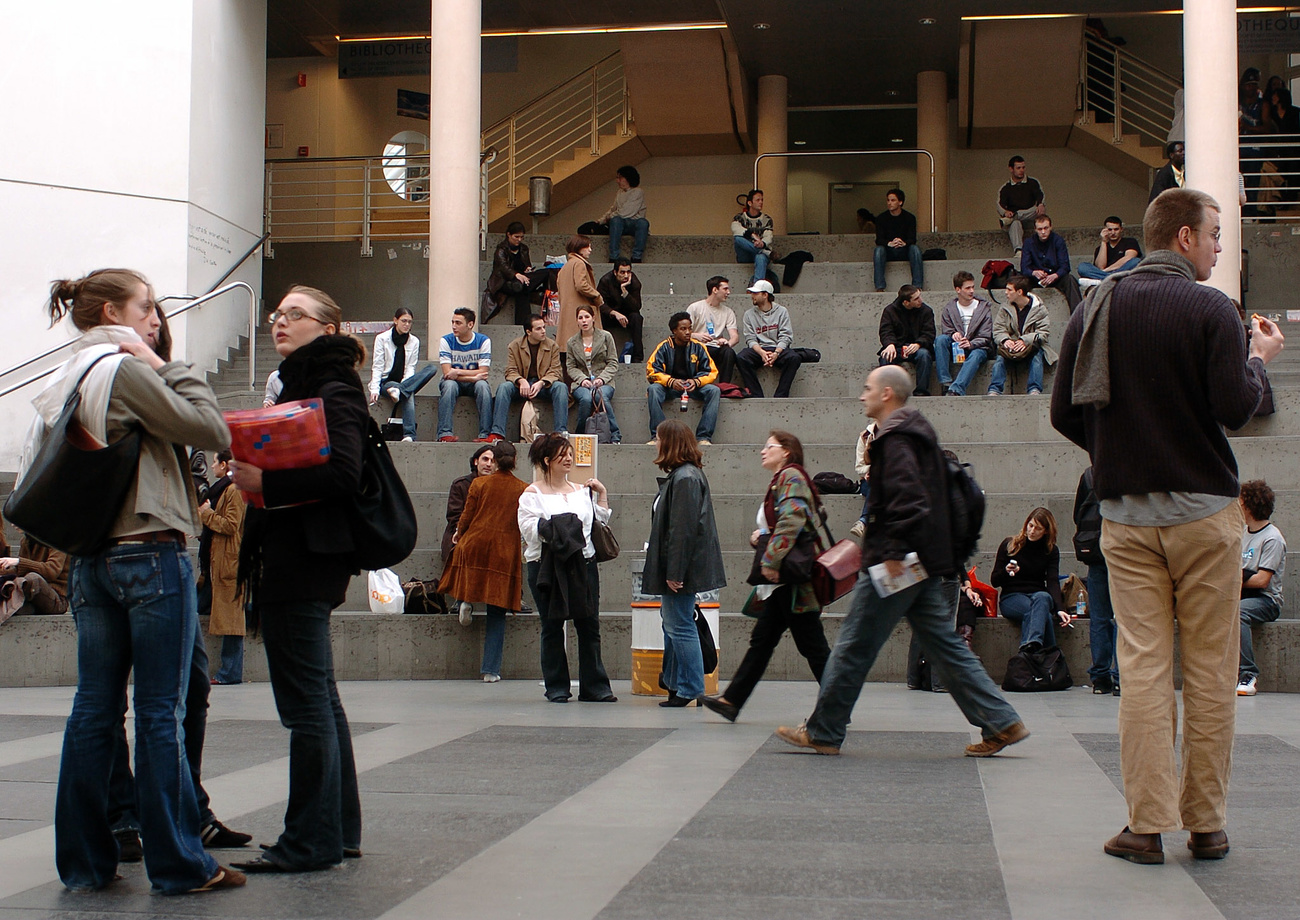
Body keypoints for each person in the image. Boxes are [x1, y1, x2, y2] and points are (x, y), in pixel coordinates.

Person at [1050, 187, 1284, 865]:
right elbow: (1236, 407)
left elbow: (1065, 412)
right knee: (1210, 670)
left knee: (1144, 669)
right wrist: (1259, 359)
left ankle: (1145, 828)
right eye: (1214, 235)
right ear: (1183, 238)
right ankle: (1206, 826)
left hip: (1126, 517)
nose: (1218, 247)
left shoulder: (1096, 304)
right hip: (1206, 515)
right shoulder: (1212, 309)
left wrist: (1115, 452)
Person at [35, 268, 243, 893]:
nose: (155, 318)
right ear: (108, 314)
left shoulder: (66, 374)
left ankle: (84, 864)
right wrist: (156, 360)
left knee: (93, 710)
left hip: (93, 561)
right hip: (150, 553)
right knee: (159, 712)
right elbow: (212, 428)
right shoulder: (122, 370)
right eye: (145, 307)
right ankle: (179, 865)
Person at [776, 365, 1028, 757]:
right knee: (946, 646)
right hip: (921, 560)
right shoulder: (916, 433)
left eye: (867, 389)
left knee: (854, 644)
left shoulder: (896, 438)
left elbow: (908, 501)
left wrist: (891, 555)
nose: (862, 395)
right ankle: (1001, 722)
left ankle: (825, 730)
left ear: (887, 394)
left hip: (895, 563)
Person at [229, 284, 366, 874]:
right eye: (276, 314)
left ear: (328, 328)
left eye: (294, 315)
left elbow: (345, 474)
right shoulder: (300, 384)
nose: (280, 322)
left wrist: (266, 485)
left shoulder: (331, 386)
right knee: (320, 700)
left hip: (303, 557)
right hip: (299, 553)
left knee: (306, 705)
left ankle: (310, 839)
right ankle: (338, 831)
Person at [701, 431, 832, 722]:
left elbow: (793, 518)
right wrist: (762, 537)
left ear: (786, 451)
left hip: (790, 580)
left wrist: (771, 559)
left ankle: (837, 703)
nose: (763, 451)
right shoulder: (783, 478)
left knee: (812, 647)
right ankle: (732, 701)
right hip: (785, 582)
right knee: (764, 641)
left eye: (769, 446)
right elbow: (784, 522)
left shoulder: (791, 476)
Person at [518, 433, 618, 703]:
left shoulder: (581, 491)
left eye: (571, 454)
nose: (569, 459)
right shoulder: (531, 494)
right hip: (545, 567)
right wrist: (559, 528)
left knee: (589, 625)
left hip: (583, 564)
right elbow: (528, 528)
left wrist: (603, 494)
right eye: (563, 455)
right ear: (547, 460)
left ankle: (595, 687)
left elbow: (597, 521)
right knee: (552, 626)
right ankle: (557, 687)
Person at [643, 420, 726, 707]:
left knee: (679, 626)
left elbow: (683, 530)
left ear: (671, 443)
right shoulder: (685, 476)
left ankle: (689, 687)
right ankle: (679, 685)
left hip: (682, 569)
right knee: (675, 625)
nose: (655, 443)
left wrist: (674, 572)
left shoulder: (686, 478)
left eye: (658, 438)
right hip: (681, 566)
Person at [437, 440, 527, 682]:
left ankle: (465, 599)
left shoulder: (479, 483)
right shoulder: (523, 488)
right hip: (504, 550)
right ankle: (490, 670)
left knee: (470, 579)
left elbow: (465, 517)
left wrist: (459, 533)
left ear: (494, 461)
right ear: (515, 462)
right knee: (497, 612)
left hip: (476, 542)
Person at [991, 508, 1072, 651]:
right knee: (1043, 615)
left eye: (1038, 528)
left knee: (1043, 597)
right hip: (1012, 597)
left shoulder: (1051, 550)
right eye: (1030, 525)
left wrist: (1060, 609)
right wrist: (1007, 571)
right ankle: (1045, 655)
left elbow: (1052, 581)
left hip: (1038, 596)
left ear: (1046, 531)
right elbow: (995, 581)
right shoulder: (1010, 545)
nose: (1032, 531)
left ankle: (1029, 650)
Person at [198, 450, 246, 685]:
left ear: (225, 464)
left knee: (232, 622)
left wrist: (207, 515)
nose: (212, 466)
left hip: (229, 564)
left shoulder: (234, 490)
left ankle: (230, 672)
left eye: (215, 461)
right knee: (199, 608)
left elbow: (231, 525)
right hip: (216, 564)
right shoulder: (223, 489)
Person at [1237, 479, 1286, 697]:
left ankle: (1248, 673)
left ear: (1248, 505)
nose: (1236, 505)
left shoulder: (1272, 538)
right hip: (1241, 593)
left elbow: (1262, 580)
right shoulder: (1242, 533)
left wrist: (1234, 580)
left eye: (1240, 501)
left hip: (1267, 600)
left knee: (1239, 613)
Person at [1074, 467, 1119, 696]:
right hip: (1123, 552)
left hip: (1096, 552)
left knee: (1099, 618)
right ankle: (1121, 677)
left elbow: (1078, 515)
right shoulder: (1129, 469)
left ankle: (1100, 678)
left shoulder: (1090, 474)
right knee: (1123, 618)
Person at [645, 312, 720, 445]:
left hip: (692, 387)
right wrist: (670, 381)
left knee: (714, 391)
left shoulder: (698, 347)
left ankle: (704, 437)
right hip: (669, 387)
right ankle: (659, 436)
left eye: (690, 328)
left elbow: (711, 371)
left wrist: (696, 381)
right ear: (674, 331)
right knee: (653, 389)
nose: (688, 332)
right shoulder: (663, 347)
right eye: (683, 329)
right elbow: (652, 371)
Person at [491, 314, 569, 440]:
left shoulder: (552, 346)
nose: (543, 331)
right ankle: (497, 432)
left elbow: (556, 371)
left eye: (544, 327)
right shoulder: (514, 345)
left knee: (561, 387)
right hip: (521, 386)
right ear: (528, 332)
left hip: (544, 386)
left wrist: (542, 382)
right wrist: (521, 381)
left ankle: (561, 432)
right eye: (538, 329)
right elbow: (510, 371)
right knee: (503, 388)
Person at [441, 444, 497, 596]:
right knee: (466, 548)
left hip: (492, 535)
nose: (488, 464)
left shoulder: (500, 486)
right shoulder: (461, 485)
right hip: (461, 533)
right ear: (476, 462)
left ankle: (512, 596)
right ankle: (461, 599)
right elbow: (454, 516)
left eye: (493, 461)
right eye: (485, 459)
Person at [988, 274, 1055, 396]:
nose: (1005, 293)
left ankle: (1034, 389)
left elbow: (1043, 333)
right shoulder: (1005, 308)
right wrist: (1005, 340)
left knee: (1037, 357)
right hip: (1010, 347)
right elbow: (998, 330)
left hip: (1032, 345)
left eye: (1009, 290)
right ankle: (995, 389)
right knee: (1000, 359)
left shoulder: (1039, 308)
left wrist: (1025, 340)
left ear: (1019, 292)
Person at [435, 307, 493, 444]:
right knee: (449, 385)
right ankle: (444, 434)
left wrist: (459, 372)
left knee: (483, 387)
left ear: (470, 325)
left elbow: (483, 371)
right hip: (455, 383)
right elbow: (447, 373)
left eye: (458, 323)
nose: (454, 326)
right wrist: (472, 377)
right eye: (453, 322)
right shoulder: (446, 341)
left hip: (473, 383)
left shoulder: (483, 341)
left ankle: (485, 434)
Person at [565, 305, 622, 443]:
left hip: (604, 382)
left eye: (587, 317)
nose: (584, 321)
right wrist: (582, 379)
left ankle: (615, 435)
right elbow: (571, 367)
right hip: (581, 383)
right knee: (586, 399)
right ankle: (580, 433)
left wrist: (602, 379)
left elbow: (613, 362)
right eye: (580, 318)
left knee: (599, 396)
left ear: (593, 318)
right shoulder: (571, 342)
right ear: (577, 321)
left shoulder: (605, 337)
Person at [736, 280, 801, 399]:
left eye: (755, 293)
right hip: (758, 350)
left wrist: (776, 353)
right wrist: (761, 352)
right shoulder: (748, 314)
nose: (752, 296)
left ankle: (781, 396)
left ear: (765, 295)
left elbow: (786, 336)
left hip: (777, 349)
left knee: (794, 358)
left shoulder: (781, 311)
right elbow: (750, 339)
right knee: (741, 358)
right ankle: (756, 395)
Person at [935, 271, 994, 397]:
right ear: (958, 289)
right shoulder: (949, 308)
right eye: (967, 288)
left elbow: (986, 335)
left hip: (978, 347)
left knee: (977, 354)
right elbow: (947, 329)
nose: (971, 291)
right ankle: (945, 382)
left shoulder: (983, 308)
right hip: (957, 347)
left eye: (972, 287)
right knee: (940, 340)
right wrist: (953, 334)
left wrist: (971, 344)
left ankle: (956, 389)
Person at [368, 307, 421, 442]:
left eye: (410, 322)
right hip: (387, 382)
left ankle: (400, 390)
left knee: (431, 370)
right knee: (408, 394)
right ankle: (409, 434)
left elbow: (410, 368)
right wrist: (374, 389)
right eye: (404, 321)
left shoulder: (414, 341)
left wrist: (403, 385)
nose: (407, 325)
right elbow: (378, 365)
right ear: (395, 320)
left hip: (404, 382)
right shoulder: (382, 338)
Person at [876, 284, 936, 396]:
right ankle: (887, 393)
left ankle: (921, 391)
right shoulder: (890, 311)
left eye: (920, 296)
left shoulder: (926, 311)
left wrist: (918, 344)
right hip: (897, 347)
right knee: (886, 356)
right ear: (906, 302)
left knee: (924, 355)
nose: (921, 300)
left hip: (918, 347)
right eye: (916, 299)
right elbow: (885, 331)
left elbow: (929, 333)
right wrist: (889, 344)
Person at [484, 221, 548, 325]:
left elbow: (526, 264)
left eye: (521, 237)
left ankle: (524, 322)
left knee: (545, 272)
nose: (519, 240)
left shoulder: (523, 248)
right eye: (516, 237)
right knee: (520, 288)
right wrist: (516, 275)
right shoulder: (501, 249)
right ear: (508, 235)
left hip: (521, 279)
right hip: (504, 281)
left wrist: (527, 269)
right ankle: (525, 322)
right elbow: (503, 267)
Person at [0, 533, 68, 625]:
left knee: (32, 578)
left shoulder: (58, 538)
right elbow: (19, 571)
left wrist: (18, 561)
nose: (13, 524)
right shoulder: (26, 541)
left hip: (56, 600)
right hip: (32, 596)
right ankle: (20, 607)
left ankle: (18, 606)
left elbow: (52, 570)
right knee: (12, 582)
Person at [1020, 214, 1082, 311]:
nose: (1043, 232)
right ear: (1035, 229)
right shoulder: (1029, 243)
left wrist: (1055, 275)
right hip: (1035, 278)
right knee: (1019, 282)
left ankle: (1078, 316)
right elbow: (1024, 268)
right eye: (1040, 229)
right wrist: (1034, 272)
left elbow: (1065, 266)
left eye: (1046, 228)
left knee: (1070, 280)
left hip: (1056, 277)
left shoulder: (1058, 241)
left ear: (1051, 227)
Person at [687, 275, 740, 386]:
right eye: (725, 289)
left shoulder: (728, 312)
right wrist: (697, 336)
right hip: (697, 347)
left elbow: (735, 337)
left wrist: (727, 343)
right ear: (714, 290)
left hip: (716, 347)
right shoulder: (695, 308)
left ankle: (724, 386)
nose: (728, 292)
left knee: (729, 352)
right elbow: (682, 333)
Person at [555, 234, 604, 353]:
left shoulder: (565, 267)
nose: (590, 250)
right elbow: (581, 285)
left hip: (568, 314)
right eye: (588, 247)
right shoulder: (579, 264)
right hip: (581, 311)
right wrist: (596, 295)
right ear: (579, 247)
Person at [872, 188, 924, 292]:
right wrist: (889, 243)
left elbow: (912, 239)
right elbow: (879, 239)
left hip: (905, 249)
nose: (889, 203)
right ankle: (880, 287)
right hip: (888, 250)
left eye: (893, 200)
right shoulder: (881, 218)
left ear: (900, 202)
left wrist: (903, 243)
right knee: (878, 251)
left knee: (915, 250)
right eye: (888, 200)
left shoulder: (909, 218)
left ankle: (917, 285)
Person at [596, 258, 645, 362]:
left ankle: (637, 357)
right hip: (610, 315)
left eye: (628, 272)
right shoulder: (605, 281)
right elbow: (599, 304)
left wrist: (625, 292)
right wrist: (614, 313)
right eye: (622, 272)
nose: (626, 276)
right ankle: (601, 355)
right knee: (598, 318)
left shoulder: (634, 282)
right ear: (615, 272)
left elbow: (637, 307)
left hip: (627, 316)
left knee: (637, 317)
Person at [997, 155, 1046, 255]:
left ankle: (1015, 216)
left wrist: (1041, 204)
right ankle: (1019, 251)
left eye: (1023, 167)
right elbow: (999, 205)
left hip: (1030, 217)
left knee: (1036, 209)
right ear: (1011, 169)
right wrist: (1005, 212)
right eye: (1018, 168)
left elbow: (1040, 196)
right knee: (1015, 223)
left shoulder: (1033, 183)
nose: (1021, 170)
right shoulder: (1005, 188)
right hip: (1016, 221)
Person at [599, 165, 649, 263]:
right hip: (621, 223)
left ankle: (636, 257)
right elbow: (613, 208)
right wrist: (602, 219)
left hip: (634, 224)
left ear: (628, 178)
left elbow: (626, 212)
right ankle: (613, 256)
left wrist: (610, 217)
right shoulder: (620, 193)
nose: (618, 181)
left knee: (643, 223)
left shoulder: (638, 192)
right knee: (616, 220)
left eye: (620, 178)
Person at [731, 188, 774, 286]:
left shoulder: (767, 219)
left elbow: (768, 236)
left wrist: (762, 243)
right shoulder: (739, 217)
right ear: (750, 203)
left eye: (762, 200)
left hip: (759, 250)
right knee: (738, 239)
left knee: (761, 257)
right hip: (745, 254)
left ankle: (757, 287)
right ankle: (765, 252)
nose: (761, 202)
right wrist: (752, 235)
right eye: (758, 200)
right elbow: (736, 230)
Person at [849, 421, 877, 540]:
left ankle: (864, 521)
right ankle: (865, 520)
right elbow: (859, 467)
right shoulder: (865, 437)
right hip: (868, 482)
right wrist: (872, 470)